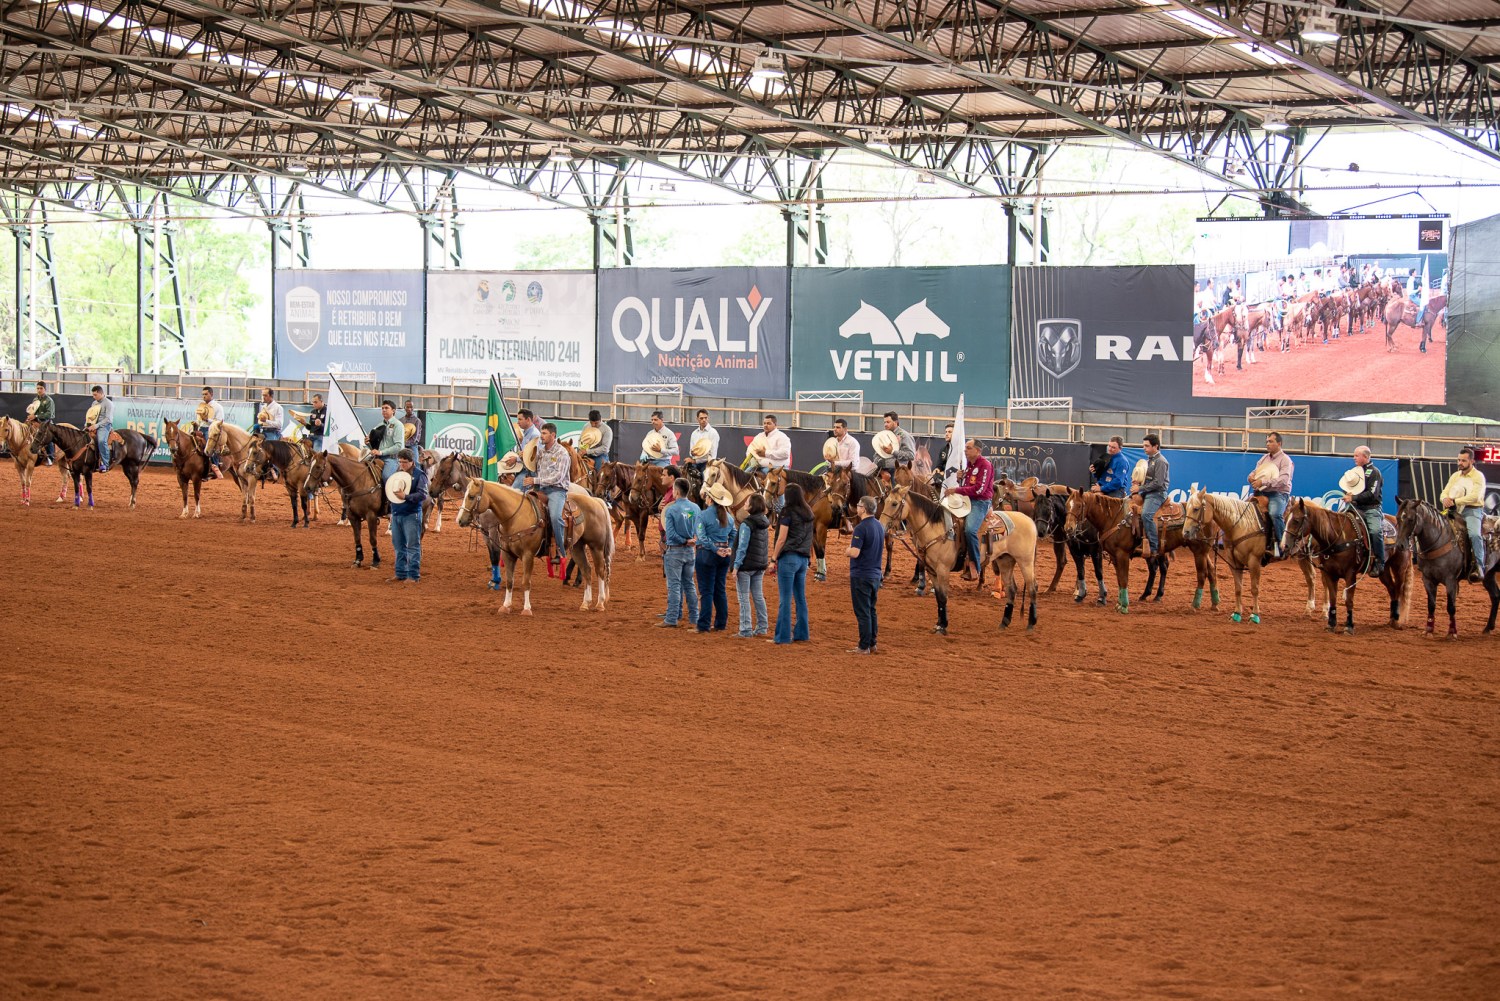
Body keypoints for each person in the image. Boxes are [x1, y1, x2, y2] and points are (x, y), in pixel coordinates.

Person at [525, 422, 572, 576]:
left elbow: (558, 477)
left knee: (555, 516)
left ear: (553, 435)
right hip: (540, 489)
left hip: (556, 490)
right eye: (541, 433)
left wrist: (535, 481)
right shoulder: (540, 452)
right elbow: (533, 466)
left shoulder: (562, 453)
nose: (542, 436)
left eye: (544, 433)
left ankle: (561, 550)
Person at [770, 483, 814, 644]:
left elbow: (781, 538)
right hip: (803, 559)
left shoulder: (787, 512)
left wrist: (773, 558)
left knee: (785, 599)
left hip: (788, 558)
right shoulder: (808, 512)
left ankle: (782, 636)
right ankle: (802, 633)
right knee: (800, 597)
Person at [944, 440, 994, 581]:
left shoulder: (985, 465)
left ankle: (975, 566)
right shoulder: (969, 466)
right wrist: (961, 478)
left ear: (977, 451)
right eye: (965, 447)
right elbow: (969, 485)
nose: (965, 450)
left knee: (970, 530)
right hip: (966, 501)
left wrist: (956, 489)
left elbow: (979, 489)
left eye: (968, 448)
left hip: (980, 502)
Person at [1441, 446, 1487, 583]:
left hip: (1472, 509)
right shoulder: (1455, 476)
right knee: (1435, 527)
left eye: (1463, 460)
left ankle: (1479, 566)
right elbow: (1445, 491)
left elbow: (1475, 496)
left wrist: (1454, 501)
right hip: (1453, 509)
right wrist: (1444, 499)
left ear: (1472, 461)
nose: (1460, 463)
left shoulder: (1478, 476)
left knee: (1474, 534)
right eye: (1459, 460)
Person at [657, 478, 698, 628]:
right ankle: (694, 617)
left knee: (674, 585)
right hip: (690, 552)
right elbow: (698, 530)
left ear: (677, 491)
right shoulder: (696, 508)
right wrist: (692, 540)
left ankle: (671, 618)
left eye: (673, 490)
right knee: (690, 585)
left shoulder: (671, 509)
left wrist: (684, 540)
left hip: (675, 551)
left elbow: (671, 535)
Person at [847, 495, 885, 655]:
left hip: (861, 574)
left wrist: (847, 550)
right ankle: (872, 643)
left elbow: (855, 552)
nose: (857, 507)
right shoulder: (879, 526)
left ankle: (863, 646)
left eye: (859, 505)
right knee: (871, 610)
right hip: (875, 574)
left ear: (864, 508)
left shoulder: (861, 528)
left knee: (862, 612)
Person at [694, 484, 734, 633]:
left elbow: (702, 538)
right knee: (720, 589)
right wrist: (727, 547)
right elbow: (734, 534)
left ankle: (703, 625)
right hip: (723, 555)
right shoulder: (728, 517)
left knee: (706, 590)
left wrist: (715, 550)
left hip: (707, 555)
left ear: (710, 498)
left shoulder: (703, 515)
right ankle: (720, 623)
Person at [1250, 432, 1294, 558]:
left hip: (1279, 493)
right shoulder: (1264, 459)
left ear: (1279, 444)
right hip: (1262, 492)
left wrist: (1262, 481)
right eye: (1267, 441)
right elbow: (1255, 472)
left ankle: (1282, 545)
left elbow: (1283, 480)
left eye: (1270, 441)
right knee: (1246, 509)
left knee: (1275, 514)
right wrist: (1251, 477)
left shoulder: (1286, 460)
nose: (1267, 444)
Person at [1342, 446, 1385, 576]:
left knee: (1375, 531)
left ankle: (1379, 561)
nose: (1354, 458)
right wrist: (1348, 494)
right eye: (1354, 455)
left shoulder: (1374, 472)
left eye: (1356, 455)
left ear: (1365, 457)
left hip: (1371, 509)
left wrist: (1353, 497)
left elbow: (1373, 494)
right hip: (1355, 507)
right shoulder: (1355, 472)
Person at [733, 494, 771, 638]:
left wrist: (736, 566)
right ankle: (762, 626)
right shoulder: (765, 522)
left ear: (752, 506)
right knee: (758, 596)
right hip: (759, 565)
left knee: (743, 597)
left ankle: (745, 629)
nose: (745, 503)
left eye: (747, 502)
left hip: (746, 566)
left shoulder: (746, 524)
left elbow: (742, 547)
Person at [389, 448, 428, 583]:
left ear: (412, 462)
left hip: (411, 514)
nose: (402, 464)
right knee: (398, 545)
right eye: (400, 462)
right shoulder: (398, 473)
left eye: (404, 462)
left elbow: (423, 494)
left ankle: (413, 575)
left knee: (412, 545)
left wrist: (405, 496)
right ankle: (400, 573)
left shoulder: (420, 475)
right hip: (397, 513)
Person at [1132, 434, 1169, 558]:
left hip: (1157, 494)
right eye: (1144, 445)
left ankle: (1154, 547)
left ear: (1155, 446)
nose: (1144, 448)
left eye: (1147, 446)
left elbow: (1158, 483)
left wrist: (1140, 488)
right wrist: (1138, 483)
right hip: (1148, 492)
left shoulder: (1161, 461)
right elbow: (1147, 480)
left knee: (1146, 515)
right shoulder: (1150, 461)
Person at [77, 385, 113, 472]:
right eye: (93, 395)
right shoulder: (94, 403)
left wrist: (96, 426)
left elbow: (108, 419)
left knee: (101, 441)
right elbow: (91, 416)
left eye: (95, 395)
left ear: (101, 393)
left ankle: (105, 464)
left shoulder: (108, 403)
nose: (94, 397)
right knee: (80, 438)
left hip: (105, 426)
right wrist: (87, 424)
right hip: (93, 425)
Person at [874, 411, 917, 482]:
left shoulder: (905, 436)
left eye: (888, 422)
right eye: (884, 422)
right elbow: (876, 454)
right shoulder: (883, 436)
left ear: (895, 422)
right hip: (881, 469)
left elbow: (911, 455)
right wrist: (879, 462)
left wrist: (893, 451)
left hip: (898, 470)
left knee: (895, 490)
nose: (885, 424)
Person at [197, 387, 225, 479]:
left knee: (209, 445)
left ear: (211, 394)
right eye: (203, 394)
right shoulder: (201, 406)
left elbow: (220, 422)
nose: (204, 396)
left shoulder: (218, 407)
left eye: (206, 394)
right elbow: (199, 420)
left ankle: (215, 466)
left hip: (212, 430)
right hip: (201, 428)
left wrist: (207, 420)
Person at [376, 400, 404, 481]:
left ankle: (390, 493)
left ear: (393, 411)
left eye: (386, 408)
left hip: (392, 458)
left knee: (386, 477)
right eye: (382, 408)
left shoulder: (398, 425)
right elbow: (375, 443)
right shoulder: (379, 425)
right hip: (378, 456)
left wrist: (381, 452)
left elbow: (399, 446)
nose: (384, 410)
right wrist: (368, 442)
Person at [29, 381, 55, 464]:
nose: (39, 390)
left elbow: (49, 414)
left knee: (47, 436)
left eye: (41, 388)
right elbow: (33, 410)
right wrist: (31, 416)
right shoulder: (35, 399)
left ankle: (51, 457)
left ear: (45, 389)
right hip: (36, 421)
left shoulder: (49, 400)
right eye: (38, 388)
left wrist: (36, 416)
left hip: (46, 421)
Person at [687, 408, 719, 473]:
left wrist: (695, 461)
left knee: (704, 478)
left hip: (708, 463)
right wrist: (692, 453)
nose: (704, 420)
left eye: (705, 418)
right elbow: (691, 451)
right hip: (695, 462)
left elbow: (712, 455)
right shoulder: (694, 433)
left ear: (708, 418)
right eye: (701, 418)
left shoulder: (713, 432)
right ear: (697, 419)